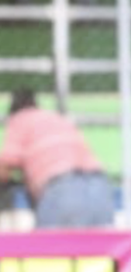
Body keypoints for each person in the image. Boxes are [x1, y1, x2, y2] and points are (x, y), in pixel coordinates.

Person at [0, 88, 113, 228]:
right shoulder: (56, 117)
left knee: (50, 247)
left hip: (61, 190)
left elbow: (6, 164)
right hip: (99, 186)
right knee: (97, 247)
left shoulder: (20, 119)